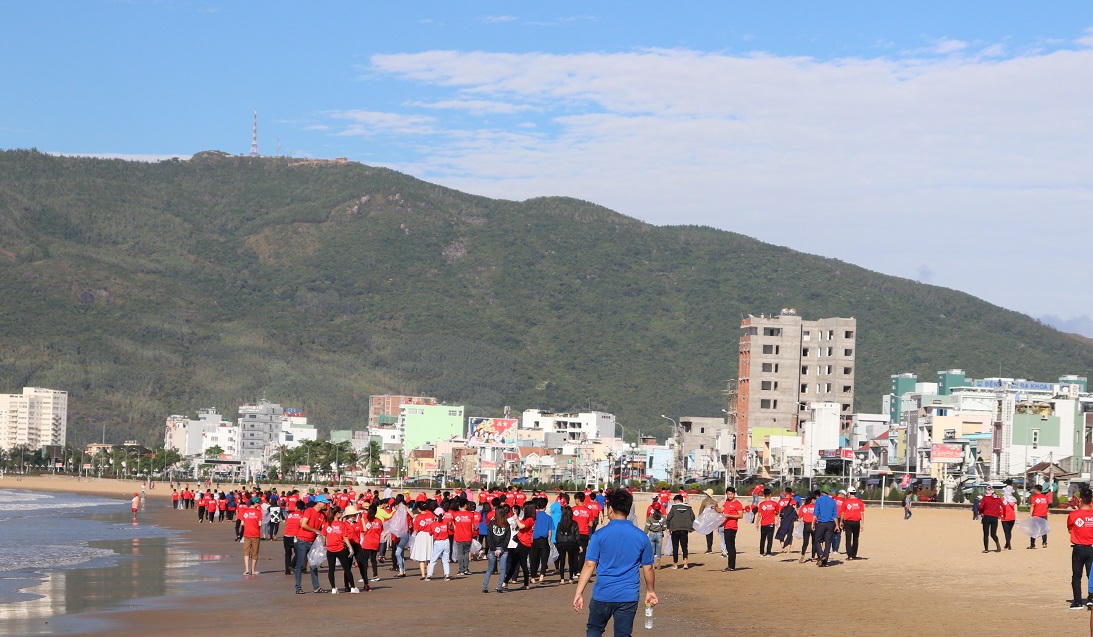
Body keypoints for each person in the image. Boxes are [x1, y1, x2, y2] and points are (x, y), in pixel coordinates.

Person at [572, 489, 658, 637]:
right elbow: (648, 568)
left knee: (594, 630)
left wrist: (579, 592)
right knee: (623, 634)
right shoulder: (641, 537)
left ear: (610, 509)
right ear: (629, 509)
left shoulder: (599, 535)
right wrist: (650, 590)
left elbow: (589, 565)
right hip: (628, 596)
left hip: (603, 594)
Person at [1067, 488, 1093, 610]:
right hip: (1092, 549)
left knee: (1076, 575)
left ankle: (1077, 601)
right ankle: (1091, 599)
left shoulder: (1073, 515)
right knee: (1091, 575)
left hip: (1078, 549)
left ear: (1080, 499)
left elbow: (1069, 529)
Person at [323, 506, 358, 594]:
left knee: (331, 569)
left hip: (330, 549)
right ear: (337, 514)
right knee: (346, 568)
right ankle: (353, 587)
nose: (342, 514)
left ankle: (333, 588)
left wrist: (324, 544)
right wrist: (350, 548)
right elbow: (345, 538)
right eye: (341, 513)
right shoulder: (341, 524)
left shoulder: (327, 524)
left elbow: (324, 535)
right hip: (339, 549)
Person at [294, 498, 327, 594]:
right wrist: (315, 530)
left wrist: (324, 543)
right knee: (300, 565)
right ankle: (298, 587)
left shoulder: (322, 515)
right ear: (319, 502)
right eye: (325, 503)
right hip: (302, 540)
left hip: (313, 542)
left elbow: (324, 529)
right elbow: (303, 524)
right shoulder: (309, 510)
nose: (326, 504)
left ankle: (316, 587)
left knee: (314, 564)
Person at [483, 504, 511, 593]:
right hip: (503, 548)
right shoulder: (506, 524)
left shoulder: (491, 523)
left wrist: (493, 548)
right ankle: (499, 587)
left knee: (490, 569)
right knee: (502, 569)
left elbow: (489, 537)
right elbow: (507, 538)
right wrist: (501, 548)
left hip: (493, 548)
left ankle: (485, 587)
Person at [716, 487, 744, 572]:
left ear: (734, 494)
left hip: (732, 527)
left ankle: (731, 566)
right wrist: (716, 508)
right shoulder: (726, 502)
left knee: (731, 547)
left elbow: (740, 516)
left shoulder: (738, 504)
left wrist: (729, 516)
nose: (730, 495)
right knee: (729, 547)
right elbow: (721, 510)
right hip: (726, 527)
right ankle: (731, 566)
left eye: (731, 494)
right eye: (728, 494)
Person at [665, 494, 694, 569]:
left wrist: (668, 528)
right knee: (684, 547)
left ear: (677, 500)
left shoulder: (674, 507)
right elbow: (693, 517)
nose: (674, 502)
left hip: (675, 529)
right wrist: (691, 528)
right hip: (684, 530)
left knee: (675, 547)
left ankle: (675, 565)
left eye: (674, 501)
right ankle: (685, 564)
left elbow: (668, 518)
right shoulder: (688, 507)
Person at [530, 498, 555, 582]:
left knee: (534, 559)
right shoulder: (549, 518)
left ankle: (533, 577)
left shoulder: (533, 516)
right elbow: (550, 531)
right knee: (544, 559)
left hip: (534, 540)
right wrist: (549, 540)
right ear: (545, 507)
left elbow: (531, 529)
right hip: (544, 540)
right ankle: (542, 575)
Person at [811, 488, 838, 567]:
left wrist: (812, 523)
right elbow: (835, 515)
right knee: (828, 542)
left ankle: (821, 554)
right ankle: (825, 561)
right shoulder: (833, 501)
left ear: (821, 492)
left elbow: (816, 512)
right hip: (830, 524)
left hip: (821, 523)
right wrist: (837, 525)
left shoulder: (819, 500)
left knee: (817, 540)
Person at [426, 506, 453, 581]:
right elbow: (450, 532)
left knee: (433, 560)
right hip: (446, 542)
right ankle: (447, 574)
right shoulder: (446, 522)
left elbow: (430, 533)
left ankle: (429, 575)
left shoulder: (433, 524)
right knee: (445, 559)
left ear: (435, 515)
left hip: (438, 542)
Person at [556, 505, 582, 583]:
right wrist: (579, 545)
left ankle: (562, 579)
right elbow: (577, 535)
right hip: (572, 543)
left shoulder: (560, 523)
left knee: (562, 561)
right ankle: (570, 578)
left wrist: (558, 543)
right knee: (571, 561)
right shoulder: (574, 523)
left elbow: (557, 535)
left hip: (561, 543)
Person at [239, 497, 263, 576]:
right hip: (256, 534)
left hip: (247, 534)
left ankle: (246, 570)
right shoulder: (258, 512)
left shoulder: (245, 511)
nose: (259, 504)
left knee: (246, 552)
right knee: (255, 553)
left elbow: (242, 523)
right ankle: (253, 570)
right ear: (255, 503)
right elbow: (260, 524)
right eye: (258, 503)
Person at [840, 487, 864, 560]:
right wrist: (862, 524)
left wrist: (841, 521)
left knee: (848, 539)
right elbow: (862, 513)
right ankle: (854, 555)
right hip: (857, 522)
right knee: (856, 539)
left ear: (849, 493)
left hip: (848, 522)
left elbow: (843, 513)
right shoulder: (860, 502)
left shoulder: (846, 502)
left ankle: (850, 555)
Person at [979, 485, 1003, 553]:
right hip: (995, 518)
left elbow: (980, 507)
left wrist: (981, 512)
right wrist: (999, 514)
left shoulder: (985, 498)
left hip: (986, 517)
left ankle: (986, 549)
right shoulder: (997, 498)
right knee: (993, 534)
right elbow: (1002, 506)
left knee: (986, 534)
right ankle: (998, 546)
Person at [755, 489, 780, 557]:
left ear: (763, 495)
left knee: (762, 539)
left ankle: (761, 552)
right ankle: (768, 553)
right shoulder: (774, 504)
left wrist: (756, 523)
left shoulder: (761, 504)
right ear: (770, 494)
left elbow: (759, 515)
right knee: (770, 538)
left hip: (763, 524)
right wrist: (777, 520)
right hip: (771, 524)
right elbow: (777, 513)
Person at [1029, 484, 1051, 549]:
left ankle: (1032, 544)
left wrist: (1030, 515)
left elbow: (1032, 506)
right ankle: (1044, 543)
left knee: (1034, 530)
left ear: (1036, 489)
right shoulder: (1045, 497)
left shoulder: (1034, 497)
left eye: (1034, 489)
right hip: (1044, 515)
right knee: (1043, 529)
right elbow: (1047, 506)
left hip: (1036, 515)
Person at [283, 498, 301, 575]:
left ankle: (287, 570)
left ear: (296, 507)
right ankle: (292, 565)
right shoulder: (302, 515)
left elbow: (287, 523)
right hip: (295, 536)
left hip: (286, 535)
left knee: (288, 553)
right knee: (299, 552)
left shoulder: (289, 515)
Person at [697, 489, 718, 553]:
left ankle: (709, 548)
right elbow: (717, 511)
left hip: (706, 519)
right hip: (712, 519)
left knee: (707, 533)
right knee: (710, 534)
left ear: (706, 494)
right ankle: (710, 547)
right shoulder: (714, 502)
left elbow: (701, 510)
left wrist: (699, 519)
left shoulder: (704, 501)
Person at [797, 495, 816, 563]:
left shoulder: (804, 506)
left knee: (805, 542)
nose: (815, 501)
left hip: (806, 525)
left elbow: (799, 515)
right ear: (811, 500)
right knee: (814, 542)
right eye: (814, 499)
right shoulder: (816, 507)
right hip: (814, 525)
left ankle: (802, 555)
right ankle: (813, 557)